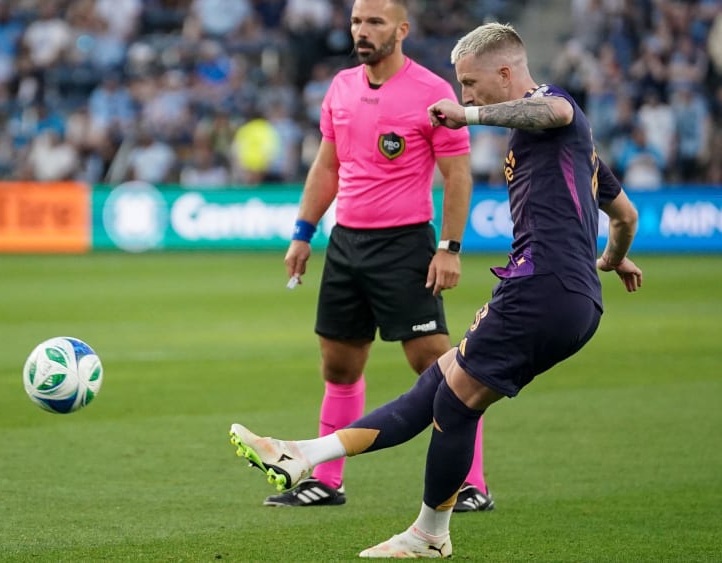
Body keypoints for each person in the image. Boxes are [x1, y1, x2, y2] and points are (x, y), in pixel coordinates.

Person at [229, 21, 643, 558]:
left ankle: (429, 533)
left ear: (505, 72)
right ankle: (303, 455)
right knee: (436, 386)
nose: (465, 95)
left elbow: (554, 111)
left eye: (470, 83)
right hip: (569, 296)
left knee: (455, 401)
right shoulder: (570, 145)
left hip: (542, 288)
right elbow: (625, 214)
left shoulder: (552, 109)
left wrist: (468, 118)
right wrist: (609, 258)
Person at [272, 0, 492, 511]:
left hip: (405, 244)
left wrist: (449, 248)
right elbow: (327, 166)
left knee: (435, 363)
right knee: (339, 365)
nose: (362, 31)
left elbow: (457, 175)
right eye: (356, 21)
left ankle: (471, 484)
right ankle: (327, 481)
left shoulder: (432, 92)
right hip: (346, 244)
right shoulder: (341, 87)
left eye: (374, 22)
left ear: (402, 29)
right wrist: (303, 233)